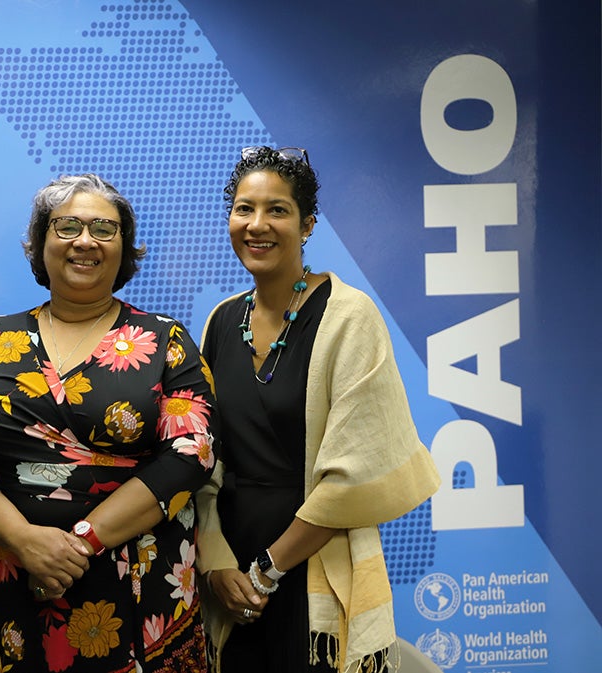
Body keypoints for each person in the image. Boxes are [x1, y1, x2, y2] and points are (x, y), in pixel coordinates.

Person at [0, 174, 217, 673]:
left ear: (124, 249)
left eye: (104, 229)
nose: (86, 241)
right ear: (41, 244)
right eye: (67, 226)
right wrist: (25, 541)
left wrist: (79, 544)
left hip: (138, 586)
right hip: (11, 585)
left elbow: (193, 452)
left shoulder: (165, 340)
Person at [195, 146, 440, 673]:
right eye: (244, 209)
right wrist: (216, 566)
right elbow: (203, 461)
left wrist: (267, 571)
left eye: (277, 210)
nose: (257, 225)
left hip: (311, 568)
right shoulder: (221, 321)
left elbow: (354, 475)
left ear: (307, 225)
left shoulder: (349, 317)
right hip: (230, 576)